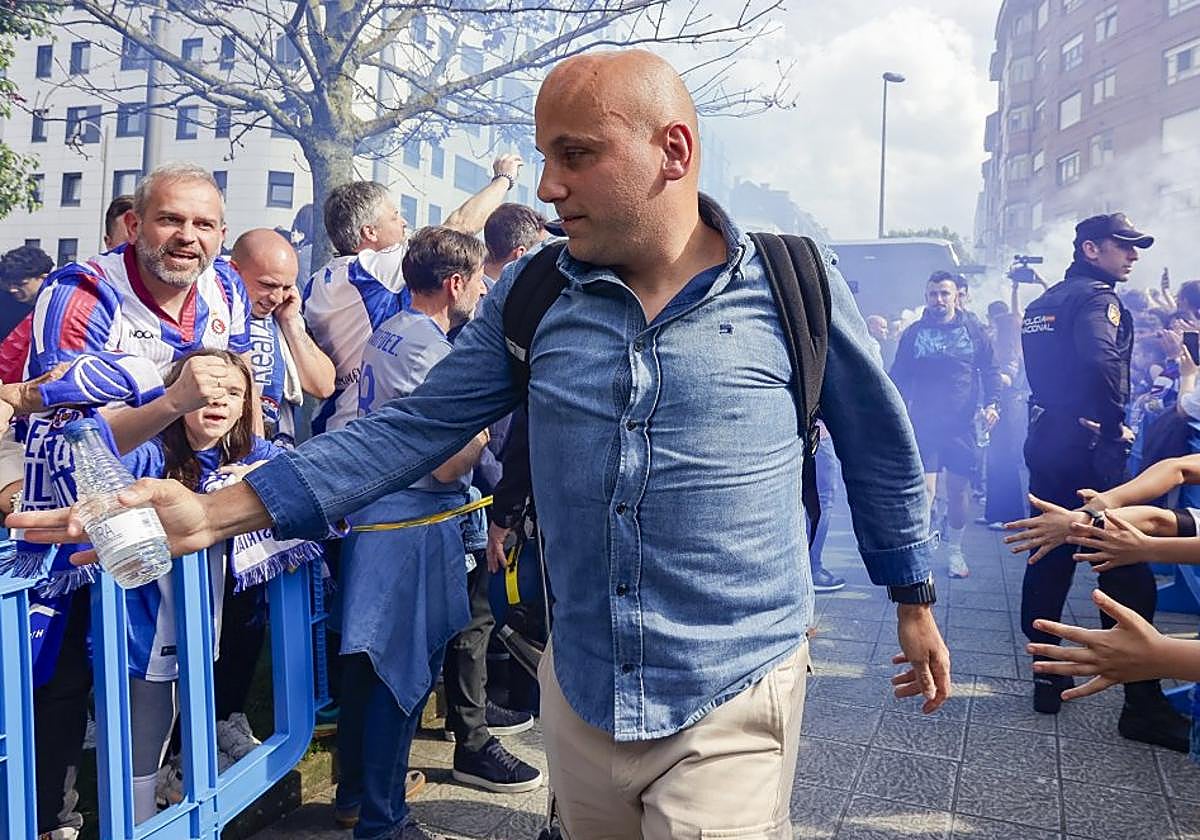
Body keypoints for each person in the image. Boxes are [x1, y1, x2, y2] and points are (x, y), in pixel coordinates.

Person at [13, 50, 951, 839]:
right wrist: (212, 514)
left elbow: (878, 449)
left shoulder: (794, 283)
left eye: (576, 156)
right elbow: (411, 430)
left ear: (674, 151)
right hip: (579, 688)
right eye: (545, 157)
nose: (548, 186)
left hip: (735, 684)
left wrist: (913, 596)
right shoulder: (535, 293)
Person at [14, 161, 252, 840]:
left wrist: (242, 460)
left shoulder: (226, 288)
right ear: (134, 224)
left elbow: (231, 395)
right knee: (60, 684)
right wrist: (170, 400)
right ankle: (51, 820)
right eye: (170, 219)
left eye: (203, 224)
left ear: (221, 234)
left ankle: (143, 812)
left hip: (169, 509)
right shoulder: (80, 292)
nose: (187, 237)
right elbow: (68, 439)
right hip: (73, 512)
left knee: (157, 670)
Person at [333, 226, 538, 840]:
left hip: (386, 520)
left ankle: (357, 796)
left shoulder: (390, 331)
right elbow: (448, 463)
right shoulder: (429, 348)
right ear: (455, 283)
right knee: (400, 675)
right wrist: (476, 435)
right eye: (476, 279)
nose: (481, 289)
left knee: (370, 673)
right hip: (409, 524)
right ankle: (384, 819)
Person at [92, 350, 319, 822]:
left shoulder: (242, 451)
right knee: (146, 713)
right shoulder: (152, 447)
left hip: (197, 613)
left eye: (233, 393)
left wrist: (251, 480)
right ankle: (134, 818)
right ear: (179, 396)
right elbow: (107, 464)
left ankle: (169, 795)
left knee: (183, 701)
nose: (219, 402)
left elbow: (297, 472)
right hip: (140, 615)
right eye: (207, 392)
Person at [1016, 211, 1189, 749]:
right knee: (1122, 560)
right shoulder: (1098, 298)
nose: (1133, 255)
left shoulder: (1043, 302)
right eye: (1124, 246)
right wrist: (1114, 420)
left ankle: (1049, 679)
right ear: (1091, 249)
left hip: (1048, 434)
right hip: (1090, 445)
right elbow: (1100, 359)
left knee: (1049, 550)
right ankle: (1142, 702)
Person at [303, 154, 524, 437]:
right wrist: (503, 179)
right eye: (395, 216)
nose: (404, 222)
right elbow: (459, 227)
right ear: (369, 232)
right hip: (367, 431)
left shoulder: (316, 282)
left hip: (328, 425)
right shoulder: (374, 268)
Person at [890, 270, 1001, 578]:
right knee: (924, 492)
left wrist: (993, 404)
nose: (938, 300)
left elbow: (991, 370)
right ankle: (921, 553)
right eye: (933, 294)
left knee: (958, 493)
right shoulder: (914, 333)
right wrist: (892, 411)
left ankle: (955, 550)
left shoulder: (974, 330)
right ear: (926, 297)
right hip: (924, 425)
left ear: (956, 296)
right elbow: (898, 376)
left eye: (944, 294)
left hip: (961, 428)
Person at [230, 228, 335, 446]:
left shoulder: (285, 315)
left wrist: (290, 323)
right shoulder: (210, 311)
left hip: (277, 450)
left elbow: (323, 386)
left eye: (286, 287)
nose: (277, 297)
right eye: (268, 285)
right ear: (234, 272)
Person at [0, 244, 53, 384]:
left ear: (43, 277)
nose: (13, 289)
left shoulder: (57, 306)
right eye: (9, 284)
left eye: (20, 284)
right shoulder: (4, 301)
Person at [481, 203, 549, 284]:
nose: (546, 256)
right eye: (541, 250)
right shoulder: (506, 293)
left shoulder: (468, 285)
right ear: (521, 254)